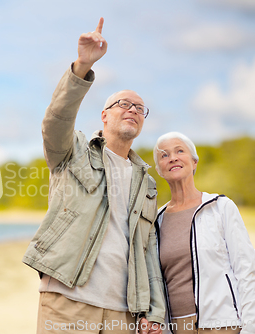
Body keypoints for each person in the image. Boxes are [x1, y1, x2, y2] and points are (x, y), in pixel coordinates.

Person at [22, 17, 165, 334]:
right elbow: (55, 121)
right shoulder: (73, 152)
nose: (133, 110)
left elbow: (147, 249)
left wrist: (153, 311)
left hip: (124, 314)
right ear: (104, 115)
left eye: (140, 108)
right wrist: (82, 66)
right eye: (123, 104)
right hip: (67, 303)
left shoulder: (148, 183)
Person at [153, 132, 255, 334]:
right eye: (164, 155)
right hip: (175, 328)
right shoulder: (156, 220)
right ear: (159, 170)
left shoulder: (220, 207)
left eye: (179, 151)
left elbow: (246, 270)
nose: (172, 157)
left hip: (222, 325)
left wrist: (250, 327)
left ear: (194, 162)